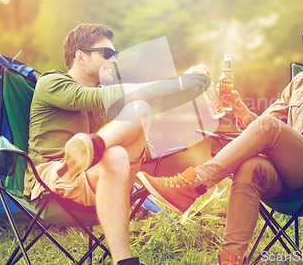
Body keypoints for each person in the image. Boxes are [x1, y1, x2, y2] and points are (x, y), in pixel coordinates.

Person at [137, 10, 303, 265]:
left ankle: (193, 183)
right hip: (293, 175)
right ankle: (231, 258)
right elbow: (263, 128)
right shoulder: (301, 82)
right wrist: (240, 109)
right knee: (251, 166)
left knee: (270, 131)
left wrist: (293, 147)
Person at [24, 23, 209, 265]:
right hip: (53, 178)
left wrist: (193, 84)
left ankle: (93, 147)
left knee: (131, 127)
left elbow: (150, 101)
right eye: (107, 54)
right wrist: (178, 82)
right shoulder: (51, 83)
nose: (114, 60)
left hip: (94, 175)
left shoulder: (106, 98)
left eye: (115, 55)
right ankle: (84, 153)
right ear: (80, 56)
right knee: (130, 123)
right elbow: (95, 98)